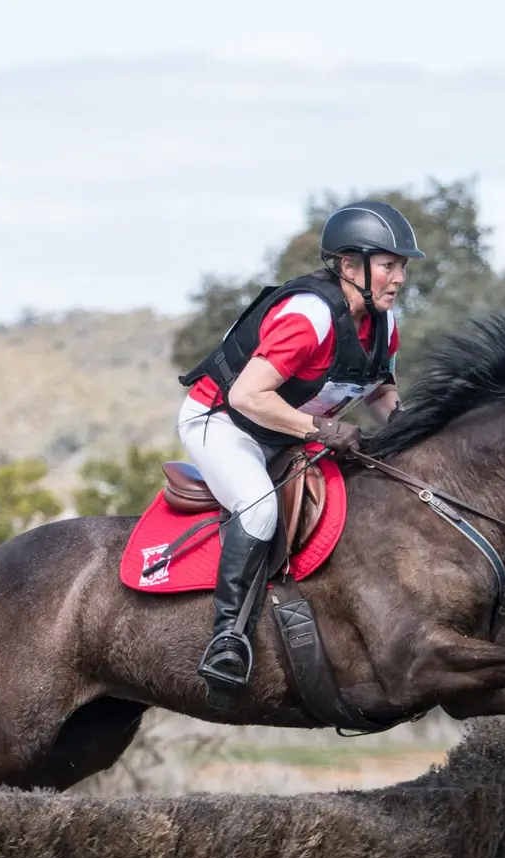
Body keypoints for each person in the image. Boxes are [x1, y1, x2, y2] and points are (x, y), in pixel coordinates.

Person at [174, 200, 423, 694]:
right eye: (389, 265)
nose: (398, 278)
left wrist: (407, 427)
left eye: (402, 267)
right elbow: (247, 396)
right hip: (225, 423)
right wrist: (321, 429)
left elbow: (378, 392)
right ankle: (227, 639)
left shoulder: (384, 323)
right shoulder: (309, 316)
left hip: (290, 432)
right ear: (349, 267)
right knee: (259, 509)